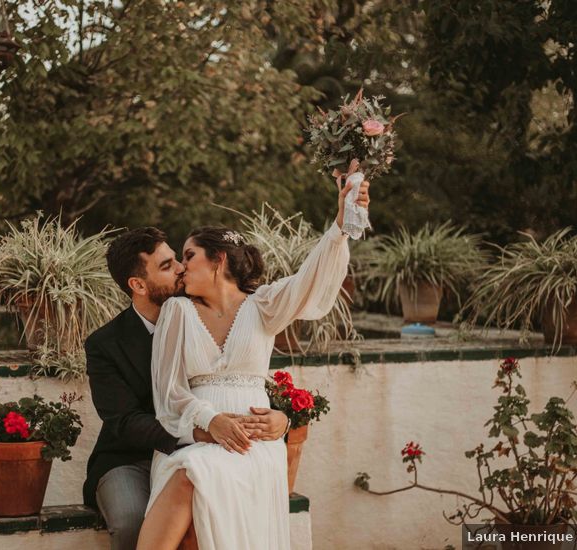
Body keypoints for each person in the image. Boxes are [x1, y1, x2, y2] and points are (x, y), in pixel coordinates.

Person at [136, 161, 370, 550]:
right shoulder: (176, 311)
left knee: (198, 518)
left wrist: (339, 227)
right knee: (190, 475)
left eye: (189, 256)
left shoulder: (264, 305)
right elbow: (168, 393)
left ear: (219, 260)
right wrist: (212, 421)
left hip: (254, 448)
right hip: (198, 440)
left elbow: (308, 282)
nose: (181, 268)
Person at [84, 227, 290, 550]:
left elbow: (242, 376)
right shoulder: (105, 344)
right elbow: (124, 422)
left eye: (179, 260)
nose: (181, 268)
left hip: (206, 450)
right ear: (138, 285)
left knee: (204, 518)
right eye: (167, 266)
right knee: (132, 520)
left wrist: (282, 420)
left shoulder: (197, 309)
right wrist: (201, 432)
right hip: (130, 458)